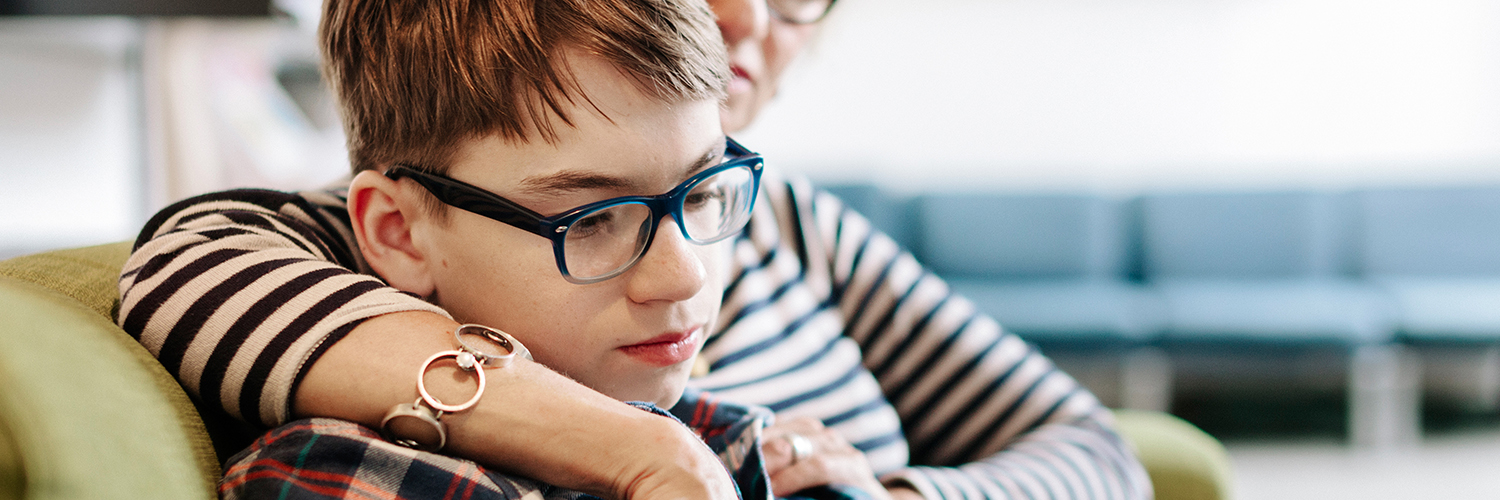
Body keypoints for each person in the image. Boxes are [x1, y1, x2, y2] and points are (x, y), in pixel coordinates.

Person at [118, 0, 1152, 499]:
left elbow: (1096, 451)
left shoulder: (789, 217)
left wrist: (899, 493)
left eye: (795, 3)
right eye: (595, 218)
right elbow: (184, 264)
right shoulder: (417, 218)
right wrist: (647, 450)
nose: (750, 21)